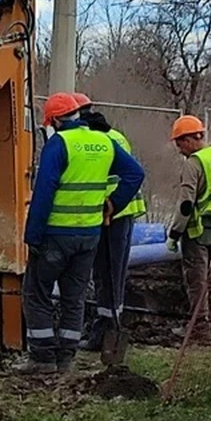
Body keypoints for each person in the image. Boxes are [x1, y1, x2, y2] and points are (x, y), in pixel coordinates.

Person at [19, 93, 145, 374]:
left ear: (52, 120)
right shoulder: (105, 141)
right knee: (73, 298)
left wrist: (33, 236)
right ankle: (66, 359)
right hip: (89, 236)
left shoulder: (59, 144)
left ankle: (42, 359)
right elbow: (135, 173)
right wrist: (113, 203)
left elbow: (44, 192)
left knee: (36, 293)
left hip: (55, 234)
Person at [72, 93, 148, 352]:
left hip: (111, 214)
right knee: (109, 273)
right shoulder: (115, 136)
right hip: (118, 213)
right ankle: (107, 326)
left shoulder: (97, 140)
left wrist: (108, 207)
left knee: (108, 273)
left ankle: (107, 331)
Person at [166, 115, 211, 341]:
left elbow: (186, 204)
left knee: (197, 279)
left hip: (197, 230)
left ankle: (199, 329)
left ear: (189, 139)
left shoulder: (194, 163)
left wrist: (175, 232)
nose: (179, 149)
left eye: (179, 143)